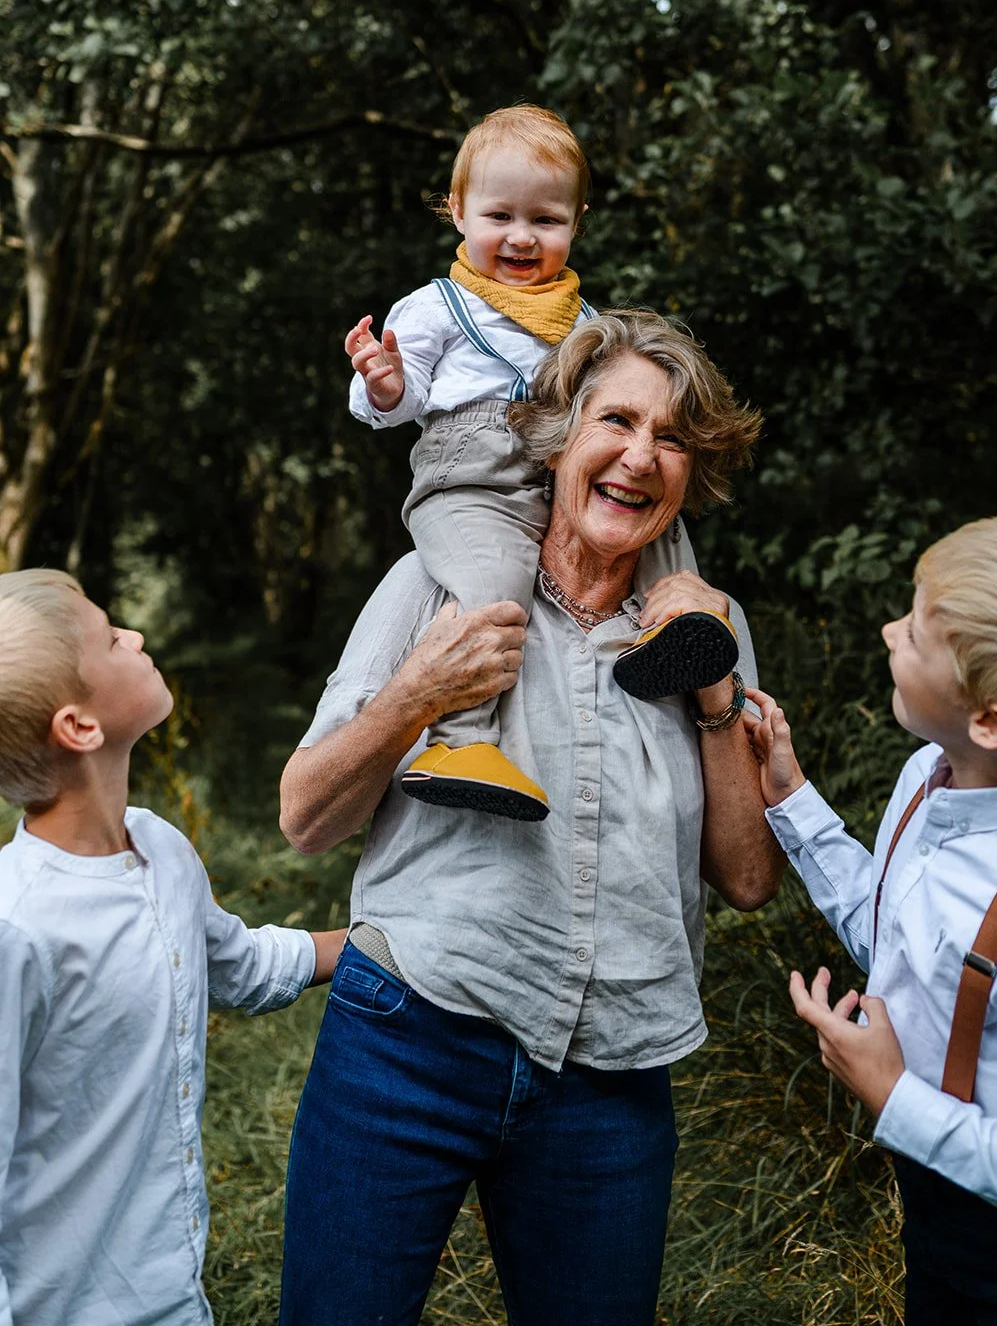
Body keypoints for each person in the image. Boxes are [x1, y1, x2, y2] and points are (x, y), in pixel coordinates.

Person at [278, 309, 783, 1326]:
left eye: (674, 438)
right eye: (618, 421)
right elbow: (305, 817)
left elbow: (747, 878)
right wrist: (419, 693)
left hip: (614, 1076)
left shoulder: (705, 624)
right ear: (560, 437)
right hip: (408, 1041)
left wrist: (717, 690)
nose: (641, 456)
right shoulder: (435, 587)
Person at [345, 105, 739, 820]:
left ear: (577, 222)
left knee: (660, 532)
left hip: (554, 467)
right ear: (458, 212)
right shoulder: (437, 307)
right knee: (497, 585)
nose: (522, 238)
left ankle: (665, 637)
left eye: (546, 221)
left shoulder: (584, 322)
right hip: (471, 479)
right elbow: (392, 408)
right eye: (500, 216)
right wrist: (386, 383)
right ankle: (459, 739)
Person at [0, 569, 348, 1326]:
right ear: (80, 727)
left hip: (169, 1289)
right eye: (110, 636)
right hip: (58, 1308)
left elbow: (242, 966)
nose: (137, 635)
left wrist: (379, 943)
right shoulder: (16, 928)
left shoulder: (160, 846)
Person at [746, 517, 997, 1324]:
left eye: (916, 632)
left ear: (990, 721)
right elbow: (910, 947)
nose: (889, 629)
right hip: (941, 1230)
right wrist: (790, 799)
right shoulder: (930, 773)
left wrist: (892, 1096)